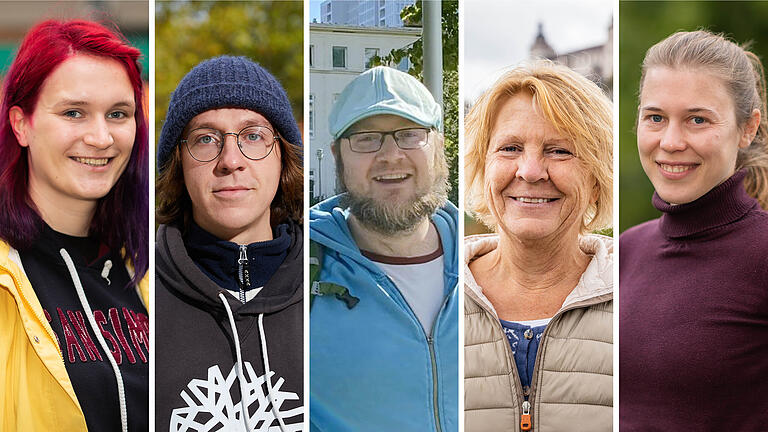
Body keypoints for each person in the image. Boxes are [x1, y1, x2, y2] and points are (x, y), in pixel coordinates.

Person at [0, 19, 148, 431]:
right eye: (74, 113)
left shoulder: (152, 268)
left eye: (118, 114)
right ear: (21, 124)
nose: (101, 137)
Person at [620, 30, 768, 430]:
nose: (670, 141)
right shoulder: (625, 252)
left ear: (747, 129)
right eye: (655, 118)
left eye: (697, 120)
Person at [155, 56, 303, 432]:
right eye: (206, 139)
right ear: (178, 164)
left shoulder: (329, 290)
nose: (230, 160)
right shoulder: (139, 295)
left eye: (253, 135)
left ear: (283, 155)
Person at [463, 60, 613, 432]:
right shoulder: (432, 293)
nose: (530, 171)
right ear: (482, 170)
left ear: (596, 179)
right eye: (510, 148)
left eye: (559, 151)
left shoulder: (642, 294)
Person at [309, 66, 458, 431]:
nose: (390, 155)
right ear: (336, 155)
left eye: (409, 135)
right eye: (366, 138)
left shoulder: (486, 260)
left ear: (438, 145)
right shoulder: (296, 269)